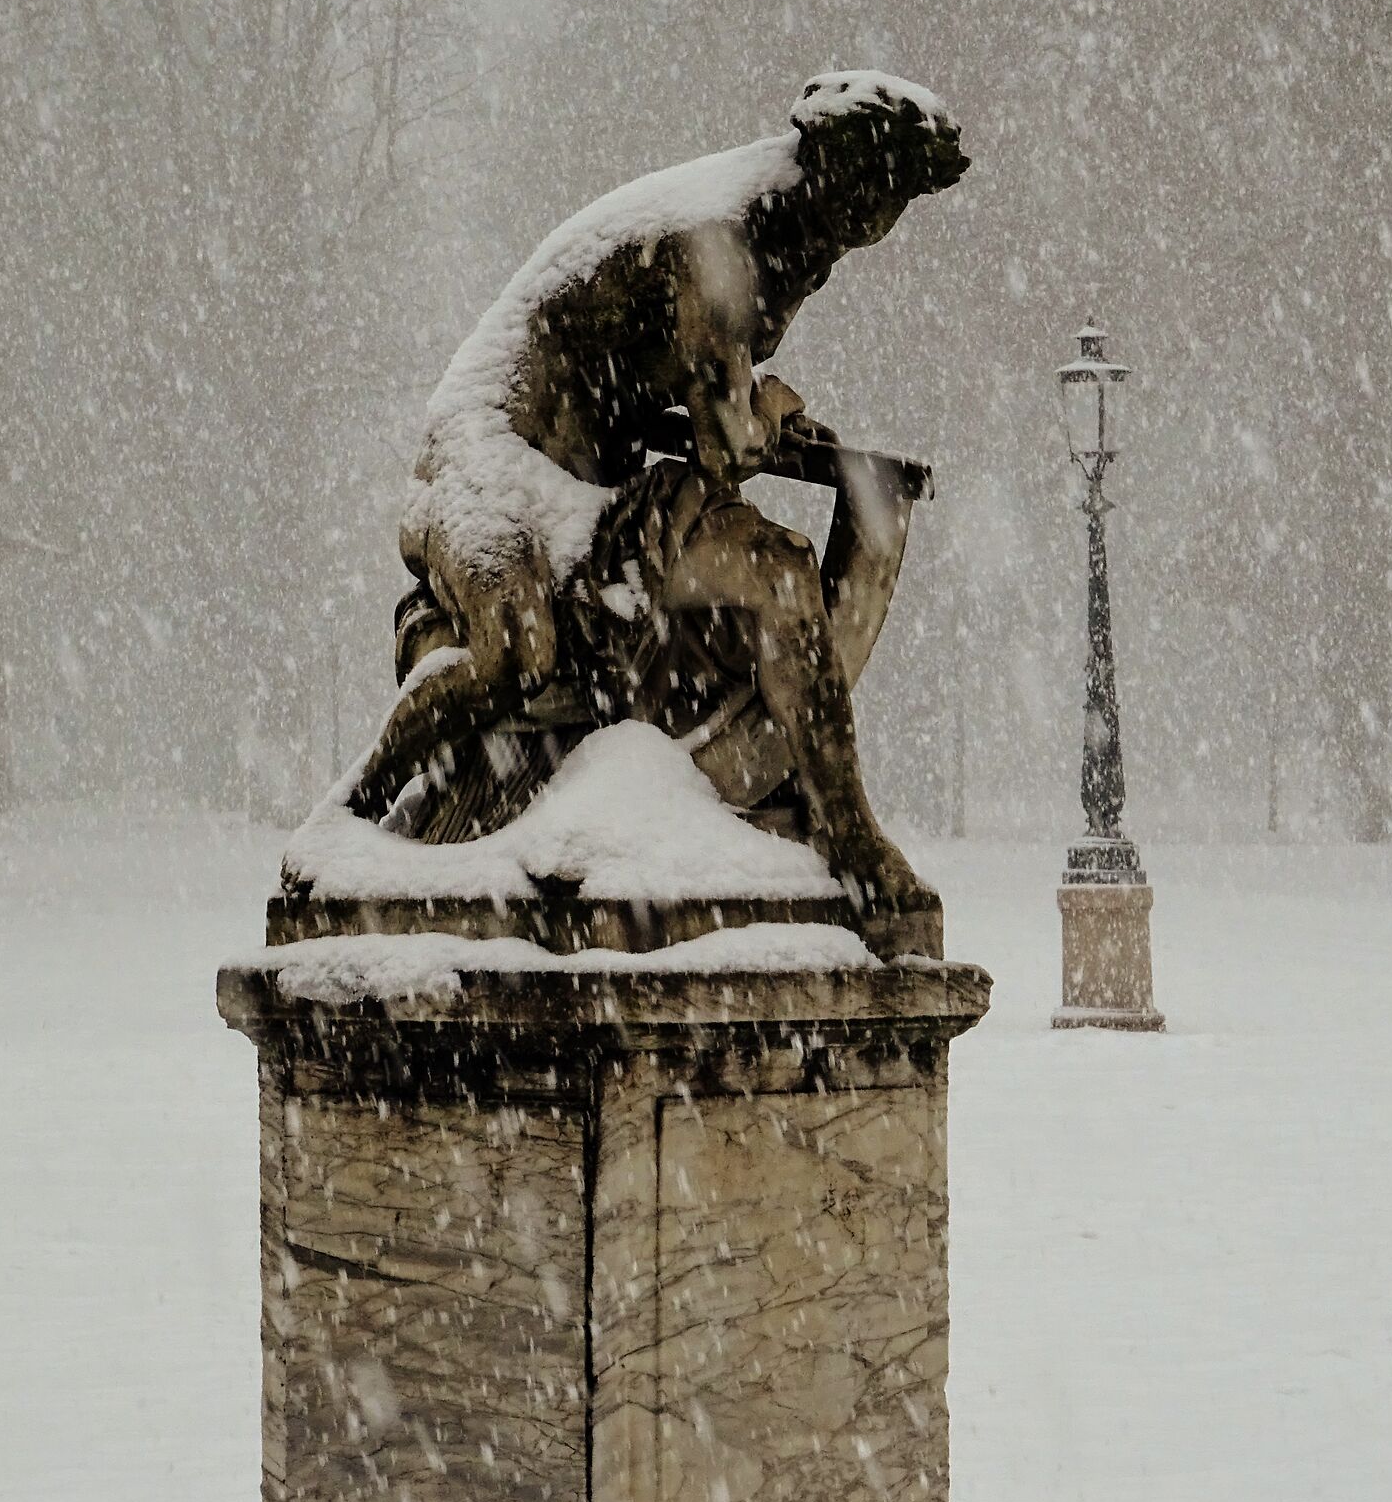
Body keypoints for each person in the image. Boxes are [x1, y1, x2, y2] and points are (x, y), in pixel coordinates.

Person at [344, 72, 969, 909]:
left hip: (598, 479)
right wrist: (766, 411)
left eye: (895, 195)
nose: (876, 216)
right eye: (867, 183)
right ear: (817, 162)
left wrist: (756, 415)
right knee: (515, 656)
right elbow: (726, 443)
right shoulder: (716, 240)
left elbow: (664, 391)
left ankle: (844, 828)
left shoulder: (792, 237)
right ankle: (352, 811)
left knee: (782, 568)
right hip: (488, 458)